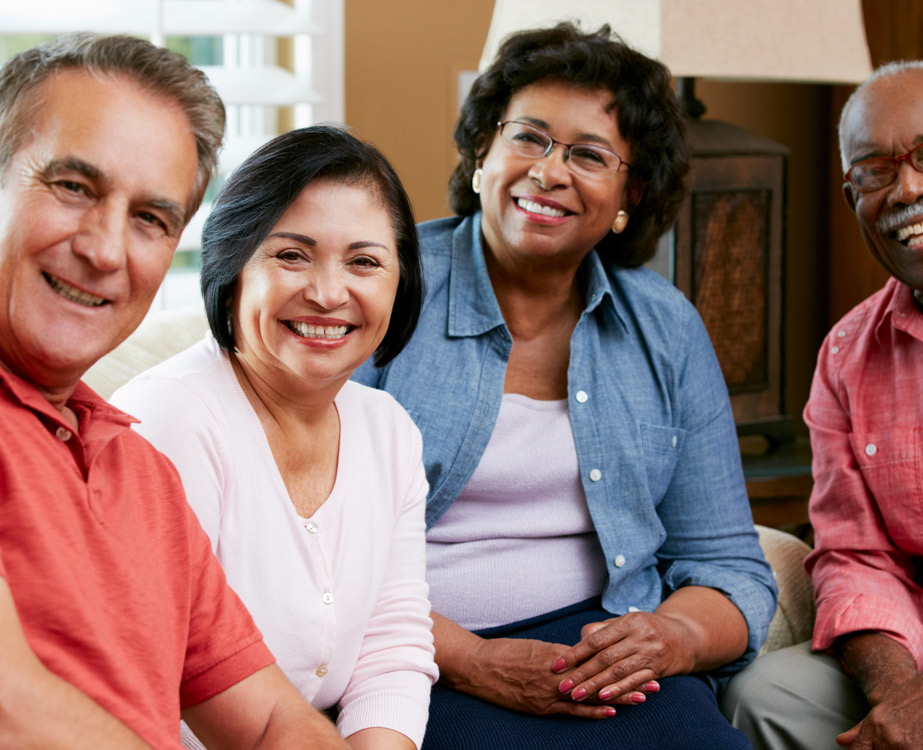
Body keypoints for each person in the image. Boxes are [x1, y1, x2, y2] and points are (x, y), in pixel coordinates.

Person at [353, 22, 776, 750]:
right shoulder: (383, 284)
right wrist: (470, 659)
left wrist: (669, 637)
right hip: (415, 651)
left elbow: (730, 564)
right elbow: (307, 548)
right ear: (483, 152)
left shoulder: (665, 329)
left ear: (628, 195)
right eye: (529, 138)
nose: (549, 172)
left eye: (588, 155)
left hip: (605, 655)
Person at [0, 33, 350, 748]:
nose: (104, 250)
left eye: (150, 220)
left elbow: (273, 722)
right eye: (73, 187)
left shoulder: (142, 474)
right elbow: (12, 708)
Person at [111, 124, 437, 750]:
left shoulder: (388, 429)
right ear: (232, 265)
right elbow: (154, 684)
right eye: (291, 255)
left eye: (365, 261)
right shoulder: (171, 419)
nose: (327, 293)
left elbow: (391, 646)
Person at [722, 60, 923, 750]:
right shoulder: (847, 356)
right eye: (874, 173)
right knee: (767, 699)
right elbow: (855, 556)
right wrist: (901, 698)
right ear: (853, 200)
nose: (909, 188)